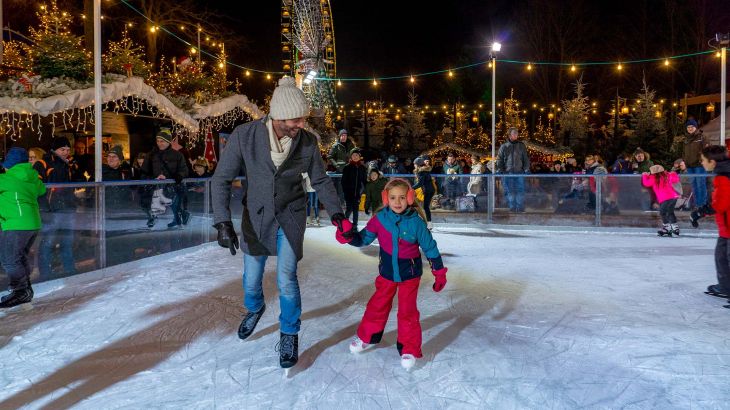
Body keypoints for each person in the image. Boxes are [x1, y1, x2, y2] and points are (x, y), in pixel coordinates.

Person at [211, 76, 346, 370]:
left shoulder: (307, 142)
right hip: (255, 218)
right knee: (251, 279)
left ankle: (289, 332)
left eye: (303, 119)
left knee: (286, 278)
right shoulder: (244, 136)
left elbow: (320, 180)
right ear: (278, 116)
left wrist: (336, 212)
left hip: (290, 216)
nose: (301, 124)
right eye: (296, 120)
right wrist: (222, 221)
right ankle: (255, 307)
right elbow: (221, 179)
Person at [334, 178, 448, 370]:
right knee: (377, 305)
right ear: (386, 198)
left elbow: (430, 248)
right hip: (386, 272)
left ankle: (409, 348)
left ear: (410, 198)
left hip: (409, 274)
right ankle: (367, 337)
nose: (397, 202)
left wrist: (439, 273)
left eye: (402, 197)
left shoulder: (416, 223)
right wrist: (348, 236)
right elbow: (364, 239)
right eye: (393, 197)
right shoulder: (380, 219)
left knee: (407, 311)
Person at [0, 148, 46, 309]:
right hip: (32, 223)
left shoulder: (6, 179)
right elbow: (42, 189)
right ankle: (25, 290)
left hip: (16, 224)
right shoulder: (33, 177)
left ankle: (20, 291)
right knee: (20, 257)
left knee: (9, 260)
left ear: (11, 165)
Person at [38, 137, 78, 279]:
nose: (66, 152)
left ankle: (69, 269)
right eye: (63, 149)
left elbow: (78, 183)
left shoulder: (68, 164)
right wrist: (44, 209)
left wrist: (75, 168)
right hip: (52, 210)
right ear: (54, 150)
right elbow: (39, 188)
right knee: (48, 242)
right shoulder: (43, 163)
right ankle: (45, 273)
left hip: (67, 208)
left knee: (66, 242)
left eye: (68, 150)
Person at [140, 128, 189, 228]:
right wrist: (153, 178)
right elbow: (144, 172)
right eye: (158, 141)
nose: (159, 143)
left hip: (172, 186)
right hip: (155, 185)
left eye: (162, 141)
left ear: (168, 141)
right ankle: (152, 217)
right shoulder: (151, 155)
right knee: (146, 202)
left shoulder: (178, 155)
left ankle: (178, 217)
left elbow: (184, 170)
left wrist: (177, 177)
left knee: (174, 203)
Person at [699, 145, 730, 299]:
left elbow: (721, 204)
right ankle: (725, 287)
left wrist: (703, 210)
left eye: (703, 160)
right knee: (721, 257)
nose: (702, 163)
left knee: (726, 259)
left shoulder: (724, 177)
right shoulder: (723, 175)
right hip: (726, 229)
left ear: (712, 162)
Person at [496, 127, 530, 212]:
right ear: (510, 135)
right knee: (510, 191)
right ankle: (512, 207)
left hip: (519, 172)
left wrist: (526, 169)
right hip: (508, 173)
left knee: (520, 190)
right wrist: (500, 169)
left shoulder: (521, 146)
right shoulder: (504, 146)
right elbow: (499, 159)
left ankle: (520, 207)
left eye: (517, 133)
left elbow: (525, 158)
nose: (516, 135)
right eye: (514, 133)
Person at [642, 164, 681, 236]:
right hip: (673, 197)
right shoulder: (667, 175)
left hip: (665, 198)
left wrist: (645, 175)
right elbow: (676, 179)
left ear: (653, 173)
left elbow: (646, 183)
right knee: (670, 212)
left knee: (663, 212)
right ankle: (671, 228)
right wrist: (674, 173)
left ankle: (672, 229)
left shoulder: (653, 178)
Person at [683, 119, 710, 210]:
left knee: (700, 184)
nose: (690, 128)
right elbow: (684, 152)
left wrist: (701, 160)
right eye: (688, 127)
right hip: (690, 166)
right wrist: (685, 161)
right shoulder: (686, 139)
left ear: (696, 127)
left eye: (692, 127)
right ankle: (697, 205)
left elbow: (707, 150)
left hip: (699, 166)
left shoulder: (702, 137)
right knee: (694, 185)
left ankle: (702, 204)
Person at [342, 148, 367, 229]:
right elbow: (343, 181)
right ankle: (344, 224)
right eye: (353, 155)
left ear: (359, 157)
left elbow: (364, 181)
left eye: (357, 155)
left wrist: (364, 191)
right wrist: (345, 192)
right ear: (351, 157)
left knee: (356, 210)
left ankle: (355, 226)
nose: (355, 157)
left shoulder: (362, 168)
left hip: (357, 193)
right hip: (349, 193)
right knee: (349, 209)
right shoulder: (347, 167)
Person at [412, 156, 435, 229]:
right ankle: (428, 222)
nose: (414, 165)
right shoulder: (425, 171)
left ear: (418, 164)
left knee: (424, 206)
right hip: (430, 190)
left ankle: (428, 223)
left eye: (415, 164)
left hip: (428, 190)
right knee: (425, 206)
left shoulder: (421, 172)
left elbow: (420, 183)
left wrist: (411, 188)